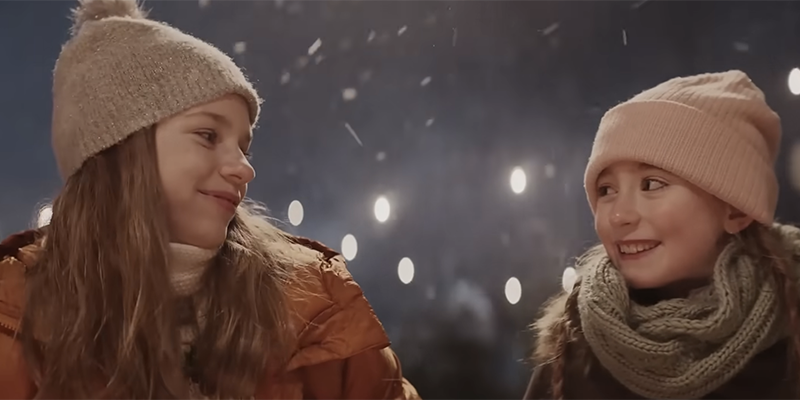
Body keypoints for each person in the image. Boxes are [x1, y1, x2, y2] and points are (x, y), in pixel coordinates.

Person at [0, 0, 419, 398]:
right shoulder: (12, 320)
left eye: (244, 147)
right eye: (208, 135)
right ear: (121, 150)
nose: (244, 169)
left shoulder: (315, 309)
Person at [523, 70, 800, 399]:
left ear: (735, 209)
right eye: (607, 190)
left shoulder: (790, 337)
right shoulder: (573, 353)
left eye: (652, 184)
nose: (618, 215)